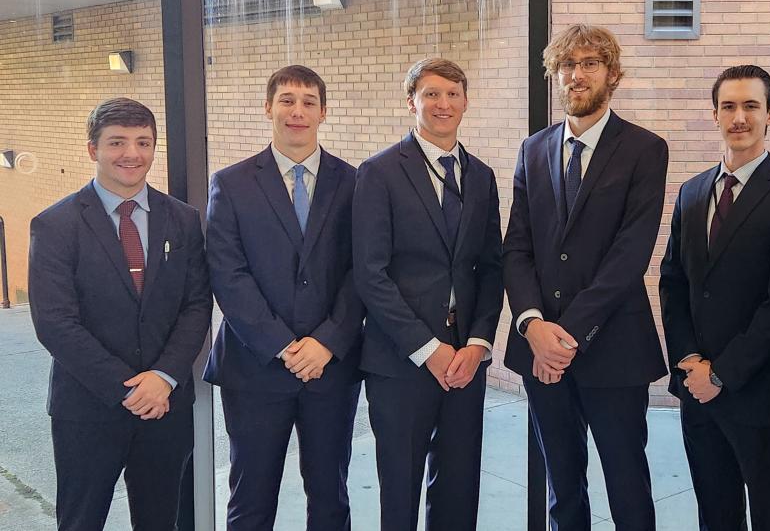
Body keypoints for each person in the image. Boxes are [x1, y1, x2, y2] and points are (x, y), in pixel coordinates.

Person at [502, 24, 668, 530]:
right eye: (567, 66)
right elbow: (517, 247)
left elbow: (629, 255)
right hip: (540, 349)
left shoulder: (645, 149)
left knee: (626, 483)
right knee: (562, 484)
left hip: (613, 348)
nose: (576, 74)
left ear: (611, 74)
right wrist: (533, 326)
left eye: (589, 63)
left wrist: (566, 336)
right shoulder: (533, 149)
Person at [29, 97, 212, 530]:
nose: (132, 154)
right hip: (88, 409)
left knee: (160, 519)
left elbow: (196, 304)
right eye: (117, 142)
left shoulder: (183, 220)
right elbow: (56, 323)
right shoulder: (56, 225)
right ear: (93, 149)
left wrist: (163, 377)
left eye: (143, 142)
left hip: (165, 407)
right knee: (80, 520)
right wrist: (128, 388)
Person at [203, 65, 365, 530]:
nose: (298, 111)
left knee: (330, 496)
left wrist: (327, 342)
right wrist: (283, 345)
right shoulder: (231, 183)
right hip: (254, 368)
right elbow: (227, 273)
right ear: (268, 108)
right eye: (287, 100)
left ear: (323, 112)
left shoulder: (354, 182)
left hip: (330, 368)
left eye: (308, 101)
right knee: (251, 498)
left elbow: (364, 271)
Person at [659, 65, 770, 531]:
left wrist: (723, 374)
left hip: (760, 389)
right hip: (697, 389)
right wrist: (689, 359)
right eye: (728, 106)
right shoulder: (691, 193)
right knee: (715, 512)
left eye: (751, 106)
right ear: (714, 115)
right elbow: (674, 283)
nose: (739, 117)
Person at [352, 58, 503, 531]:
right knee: (400, 488)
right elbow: (370, 273)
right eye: (432, 94)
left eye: (453, 94)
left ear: (466, 102)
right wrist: (428, 349)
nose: (443, 104)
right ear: (411, 100)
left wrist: (477, 344)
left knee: (459, 487)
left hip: (466, 360)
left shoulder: (481, 176)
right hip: (400, 362)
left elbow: (492, 268)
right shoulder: (378, 172)